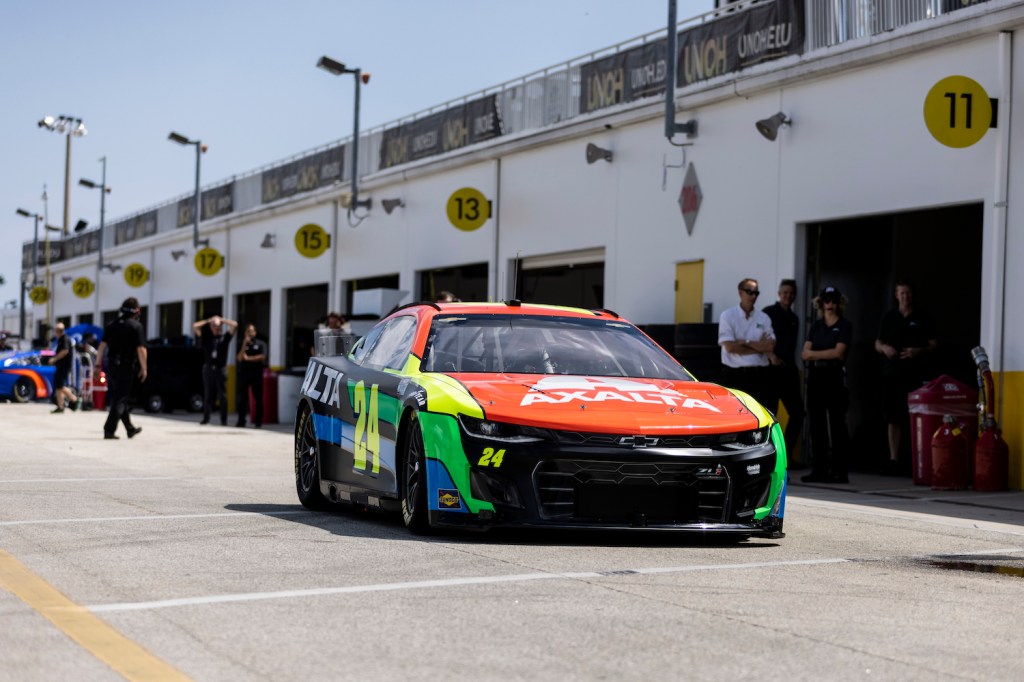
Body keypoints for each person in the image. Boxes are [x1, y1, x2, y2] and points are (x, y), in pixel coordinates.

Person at [874, 279, 938, 475]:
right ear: (896, 295)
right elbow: (878, 342)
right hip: (891, 374)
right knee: (892, 417)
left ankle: (914, 460)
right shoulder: (890, 317)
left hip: (914, 375)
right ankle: (893, 459)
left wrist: (918, 351)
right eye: (902, 293)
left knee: (913, 417)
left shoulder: (922, 317)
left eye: (908, 293)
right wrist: (884, 348)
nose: (905, 297)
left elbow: (934, 344)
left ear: (912, 295)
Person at [800, 286, 853, 483]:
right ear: (820, 303)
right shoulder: (816, 326)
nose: (829, 303)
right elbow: (805, 352)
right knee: (816, 423)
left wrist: (815, 354)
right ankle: (819, 468)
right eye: (826, 300)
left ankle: (840, 470)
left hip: (834, 376)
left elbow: (838, 353)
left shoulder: (845, 325)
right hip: (816, 376)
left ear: (839, 302)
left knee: (837, 423)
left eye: (833, 299)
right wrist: (819, 355)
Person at [763, 278, 806, 464]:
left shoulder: (794, 318)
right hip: (771, 371)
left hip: (789, 371)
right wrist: (770, 355)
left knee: (798, 413)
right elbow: (760, 339)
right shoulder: (768, 314)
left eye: (791, 293)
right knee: (770, 415)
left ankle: (786, 456)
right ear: (779, 293)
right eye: (785, 292)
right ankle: (770, 457)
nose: (788, 296)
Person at [718, 278, 776, 409]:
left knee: (761, 415)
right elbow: (730, 347)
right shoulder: (727, 316)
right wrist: (759, 347)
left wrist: (745, 342)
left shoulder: (764, 318)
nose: (753, 296)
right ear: (740, 293)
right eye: (749, 292)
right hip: (734, 375)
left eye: (756, 293)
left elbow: (770, 346)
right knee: (734, 414)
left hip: (759, 376)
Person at [96, 298, 147, 439]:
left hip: (112, 366)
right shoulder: (136, 326)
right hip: (126, 366)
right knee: (120, 398)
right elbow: (141, 349)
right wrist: (144, 368)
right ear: (136, 311)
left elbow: (101, 346)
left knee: (119, 396)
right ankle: (109, 430)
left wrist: (97, 365)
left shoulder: (112, 325)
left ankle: (130, 428)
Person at [193, 314, 238, 425]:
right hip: (209, 368)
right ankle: (206, 418)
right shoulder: (207, 338)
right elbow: (195, 326)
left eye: (217, 326)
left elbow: (235, 325)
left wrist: (222, 320)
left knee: (222, 395)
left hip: (220, 369)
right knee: (208, 394)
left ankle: (224, 420)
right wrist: (209, 320)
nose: (216, 328)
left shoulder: (225, 338)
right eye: (214, 326)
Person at [235, 324, 266, 428]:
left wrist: (248, 359)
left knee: (258, 398)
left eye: (251, 331)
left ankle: (258, 422)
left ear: (255, 332)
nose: (249, 333)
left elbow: (262, 357)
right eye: (247, 331)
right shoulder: (241, 343)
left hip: (256, 374)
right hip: (244, 374)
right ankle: (241, 421)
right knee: (242, 398)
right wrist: (244, 343)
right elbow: (239, 358)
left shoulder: (261, 344)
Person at [48, 322, 80, 412]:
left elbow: (65, 351)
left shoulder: (65, 339)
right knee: (58, 386)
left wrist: (55, 359)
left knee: (60, 386)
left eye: (56, 331)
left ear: (59, 331)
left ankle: (74, 399)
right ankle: (60, 406)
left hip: (64, 366)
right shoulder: (62, 339)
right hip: (61, 366)